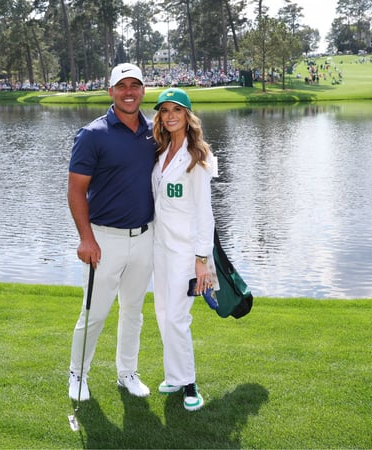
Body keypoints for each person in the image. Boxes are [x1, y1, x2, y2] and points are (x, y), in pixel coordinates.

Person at [66, 63, 156, 401]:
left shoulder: (153, 132)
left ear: (143, 91)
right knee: (94, 312)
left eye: (135, 85)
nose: (129, 92)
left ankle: (127, 373)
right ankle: (78, 374)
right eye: (122, 86)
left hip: (144, 238)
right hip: (104, 240)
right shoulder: (93, 134)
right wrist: (85, 238)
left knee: (134, 311)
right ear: (111, 92)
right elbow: (76, 191)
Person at [151, 88, 217, 412]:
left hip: (186, 254)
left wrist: (201, 259)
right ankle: (174, 376)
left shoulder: (197, 157)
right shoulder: (160, 152)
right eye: (165, 110)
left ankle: (190, 383)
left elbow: (205, 213)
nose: (170, 116)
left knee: (178, 317)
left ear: (187, 116)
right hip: (160, 249)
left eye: (177, 110)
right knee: (163, 313)